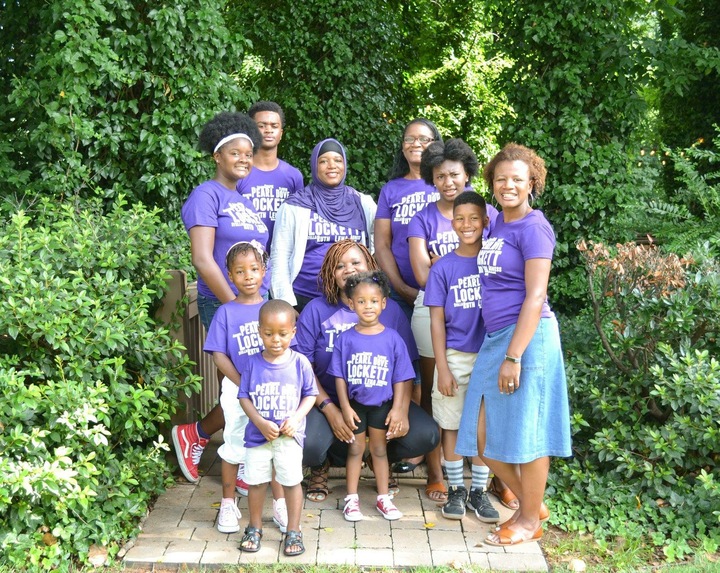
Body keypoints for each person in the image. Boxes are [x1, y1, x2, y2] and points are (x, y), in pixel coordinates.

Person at [456, 143, 572, 547]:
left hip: (527, 339)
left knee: (530, 433)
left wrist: (513, 356)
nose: (508, 185)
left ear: (532, 184)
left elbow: (535, 296)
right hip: (496, 337)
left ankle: (526, 520)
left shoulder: (534, 227)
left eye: (517, 180)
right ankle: (530, 502)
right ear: (491, 182)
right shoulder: (498, 224)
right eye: (501, 178)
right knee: (480, 438)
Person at [295, 240, 440, 502]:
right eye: (339, 265)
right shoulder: (315, 311)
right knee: (310, 443)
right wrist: (330, 409)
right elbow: (303, 368)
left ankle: (377, 455)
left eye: (355, 262)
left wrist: (401, 408)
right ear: (330, 271)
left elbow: (403, 368)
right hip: (327, 400)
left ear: (369, 265)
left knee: (424, 434)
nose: (348, 269)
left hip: (379, 403)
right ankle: (321, 464)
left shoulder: (390, 310)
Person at [173, 112, 269, 493]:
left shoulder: (241, 197)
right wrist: (235, 306)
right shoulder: (206, 195)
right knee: (241, 382)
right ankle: (238, 459)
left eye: (249, 153)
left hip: (254, 303)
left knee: (255, 379)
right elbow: (203, 258)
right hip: (225, 303)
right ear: (217, 156)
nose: (244, 159)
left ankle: (196, 434)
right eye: (235, 152)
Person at [408, 138, 497, 501]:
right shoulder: (423, 217)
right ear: (432, 179)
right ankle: (438, 475)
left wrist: (441, 263)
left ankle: (494, 482)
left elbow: (498, 267)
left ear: (467, 175)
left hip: (482, 318)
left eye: (455, 175)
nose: (448, 182)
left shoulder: (486, 213)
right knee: (439, 396)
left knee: (486, 408)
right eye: (440, 176)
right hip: (435, 310)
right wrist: (444, 268)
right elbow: (423, 275)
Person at [424, 191, 499, 523]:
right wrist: (441, 366)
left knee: (485, 427)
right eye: (460, 218)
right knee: (451, 424)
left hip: (491, 354)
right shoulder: (443, 267)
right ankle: (456, 489)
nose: (466, 225)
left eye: (474, 219)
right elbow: (436, 320)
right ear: (451, 223)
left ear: (485, 222)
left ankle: (479, 491)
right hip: (454, 355)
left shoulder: (495, 260)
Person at [202, 242, 286, 534]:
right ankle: (227, 503)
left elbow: (288, 349)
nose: (248, 276)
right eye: (240, 271)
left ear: (264, 271)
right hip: (237, 390)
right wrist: (242, 382)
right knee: (235, 443)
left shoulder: (273, 309)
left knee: (274, 445)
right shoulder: (226, 312)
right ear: (229, 275)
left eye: (254, 269)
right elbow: (218, 354)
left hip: (272, 390)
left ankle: (280, 503)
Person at [329, 271, 415, 522]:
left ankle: (383, 497)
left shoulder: (392, 338)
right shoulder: (346, 339)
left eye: (374, 301)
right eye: (362, 301)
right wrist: (344, 407)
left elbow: (401, 377)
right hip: (355, 406)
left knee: (378, 450)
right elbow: (339, 377)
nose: (368, 306)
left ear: (383, 303)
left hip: (381, 405)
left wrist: (398, 408)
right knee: (355, 450)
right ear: (351, 304)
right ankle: (352, 499)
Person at [238, 299, 318, 556]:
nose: (275, 340)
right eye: (269, 334)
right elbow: (244, 397)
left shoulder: (299, 363)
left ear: (293, 332)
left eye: (283, 334)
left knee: (292, 482)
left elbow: (310, 395)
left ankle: (293, 530)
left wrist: (296, 418)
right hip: (257, 437)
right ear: (259, 331)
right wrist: (259, 422)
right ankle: (254, 526)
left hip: (289, 438)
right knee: (257, 482)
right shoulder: (252, 363)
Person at [270, 138, 376, 312]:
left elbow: (377, 247)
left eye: (337, 160)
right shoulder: (295, 205)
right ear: (314, 166)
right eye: (323, 161)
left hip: (354, 299)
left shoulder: (363, 203)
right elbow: (280, 256)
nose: (331, 166)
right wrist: (287, 303)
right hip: (304, 298)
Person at [374, 118, 442, 320]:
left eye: (423, 139)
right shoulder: (391, 190)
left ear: (435, 144)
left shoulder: (450, 183)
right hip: (399, 294)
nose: (415, 144)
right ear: (402, 147)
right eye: (409, 139)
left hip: (446, 290)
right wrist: (401, 287)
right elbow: (382, 244)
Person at [238, 101, 304, 253]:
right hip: (245, 259)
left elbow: (299, 222)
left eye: (274, 126)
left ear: (281, 133)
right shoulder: (239, 172)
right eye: (261, 126)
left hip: (282, 258)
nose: (268, 130)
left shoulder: (293, 176)